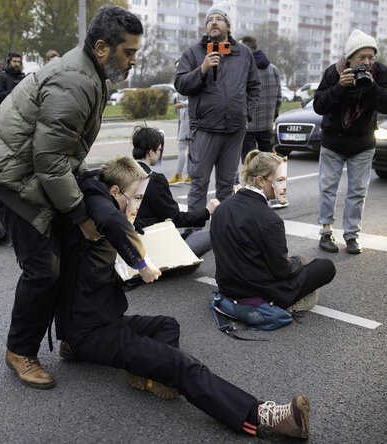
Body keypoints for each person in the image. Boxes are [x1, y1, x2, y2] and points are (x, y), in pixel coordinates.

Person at [57, 155, 311, 440]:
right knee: (182, 365)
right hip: (92, 330)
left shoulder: (100, 205)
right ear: (114, 193)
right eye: (136, 197)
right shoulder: (97, 213)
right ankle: (261, 415)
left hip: (103, 320)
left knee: (168, 325)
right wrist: (142, 263)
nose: (138, 206)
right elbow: (109, 218)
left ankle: (147, 373)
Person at [0, 5, 143, 389]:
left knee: (72, 248)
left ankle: (74, 333)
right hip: (10, 176)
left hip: (32, 168)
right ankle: (20, 350)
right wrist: (80, 215)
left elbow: (59, 153)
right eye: (128, 52)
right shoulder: (76, 80)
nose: (134, 60)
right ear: (102, 48)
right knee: (45, 268)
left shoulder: (91, 72)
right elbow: (49, 161)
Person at [211, 150, 336, 311]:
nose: (284, 187)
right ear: (260, 181)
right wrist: (299, 261)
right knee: (325, 266)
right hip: (259, 291)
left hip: (226, 287)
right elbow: (283, 271)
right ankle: (284, 305)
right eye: (279, 180)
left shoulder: (223, 207)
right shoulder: (270, 220)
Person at [313, 29, 387, 254]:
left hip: (363, 141)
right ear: (350, 57)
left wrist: (372, 87)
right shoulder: (334, 72)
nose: (367, 62)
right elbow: (319, 106)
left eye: (371, 57)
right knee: (328, 188)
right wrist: (340, 86)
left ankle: (351, 236)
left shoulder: (380, 73)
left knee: (358, 191)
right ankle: (326, 232)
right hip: (333, 140)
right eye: (362, 57)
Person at [174, 3, 260, 209]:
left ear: (228, 26)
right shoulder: (193, 53)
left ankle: (223, 232)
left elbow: (254, 85)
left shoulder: (243, 53)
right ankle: (193, 233)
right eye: (209, 19)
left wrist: (247, 114)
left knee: (226, 185)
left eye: (219, 19)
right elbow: (181, 84)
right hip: (204, 129)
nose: (213, 22)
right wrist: (202, 69)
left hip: (234, 130)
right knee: (199, 184)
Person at [131, 125, 218, 258]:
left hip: (127, 242)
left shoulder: (121, 173)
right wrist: (206, 212)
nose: (160, 153)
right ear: (151, 152)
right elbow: (174, 218)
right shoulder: (154, 180)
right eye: (160, 149)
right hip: (150, 243)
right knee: (209, 236)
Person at [238, 36, 281, 163]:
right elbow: (279, 98)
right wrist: (273, 116)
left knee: (250, 164)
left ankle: (252, 183)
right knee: (267, 164)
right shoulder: (274, 69)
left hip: (247, 125)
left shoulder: (244, 70)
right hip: (267, 125)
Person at [168, 60, 191, 185]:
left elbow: (194, 99)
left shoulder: (188, 80)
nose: (177, 70)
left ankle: (179, 175)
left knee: (182, 146)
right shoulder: (182, 79)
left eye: (179, 67)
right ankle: (189, 175)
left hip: (188, 118)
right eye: (176, 67)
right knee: (189, 148)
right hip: (184, 118)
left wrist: (182, 105)